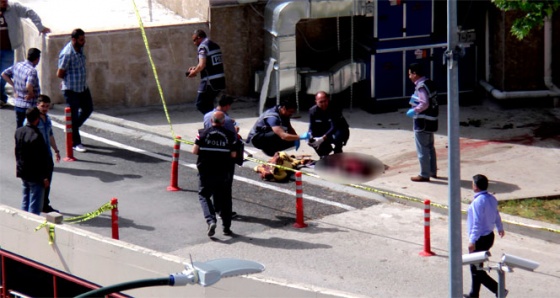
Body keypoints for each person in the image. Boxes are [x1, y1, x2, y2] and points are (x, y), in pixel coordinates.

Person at [192, 111, 237, 237]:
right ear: (223, 122)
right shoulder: (230, 135)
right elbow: (233, 155)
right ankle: (226, 228)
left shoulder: (202, 133)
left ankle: (211, 220)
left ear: (211, 121)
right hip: (223, 172)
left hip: (206, 171)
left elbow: (194, 150)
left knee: (204, 195)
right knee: (225, 199)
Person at [0, 0, 50, 107]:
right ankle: (1, 97)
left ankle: (1, 96)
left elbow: (29, 11)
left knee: (3, 75)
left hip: (8, 49)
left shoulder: (13, 7)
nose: (4, 2)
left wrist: (39, 26)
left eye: (5, 0)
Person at [464, 174, 506, 298]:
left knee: (476, 270)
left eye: (472, 183)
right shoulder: (492, 199)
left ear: (476, 187)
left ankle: (499, 289)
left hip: (480, 239)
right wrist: (500, 227)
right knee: (477, 266)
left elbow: (477, 222)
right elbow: (496, 214)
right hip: (489, 237)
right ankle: (474, 294)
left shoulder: (478, 202)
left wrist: (472, 241)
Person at [203, 95, 240, 218]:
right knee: (225, 186)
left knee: (212, 184)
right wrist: (236, 130)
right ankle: (225, 212)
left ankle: (216, 208)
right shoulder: (228, 121)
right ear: (227, 106)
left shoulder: (207, 116)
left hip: (209, 155)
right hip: (224, 157)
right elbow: (233, 138)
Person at [57, 28, 93, 153]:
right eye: (81, 39)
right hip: (71, 89)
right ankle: (75, 142)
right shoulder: (67, 54)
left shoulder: (80, 48)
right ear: (74, 40)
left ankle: (71, 128)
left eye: (84, 39)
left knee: (88, 109)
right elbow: (60, 73)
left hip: (82, 87)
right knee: (72, 115)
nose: (84, 42)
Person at [24, 95, 60, 213]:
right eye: (42, 106)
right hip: (37, 157)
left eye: (47, 106)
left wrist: (56, 150)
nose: (45, 108)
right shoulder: (31, 120)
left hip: (47, 156)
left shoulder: (47, 119)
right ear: (37, 105)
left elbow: (50, 135)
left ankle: (44, 204)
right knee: (37, 184)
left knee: (47, 182)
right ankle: (33, 208)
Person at [15, 107, 52, 215]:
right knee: (35, 204)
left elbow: (17, 153)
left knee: (25, 199)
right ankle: (31, 228)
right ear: (37, 119)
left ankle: (22, 223)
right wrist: (44, 177)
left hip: (23, 172)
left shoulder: (19, 131)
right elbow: (38, 159)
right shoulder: (36, 136)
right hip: (35, 175)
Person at [406, 63, 438, 182]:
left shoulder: (421, 86)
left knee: (422, 149)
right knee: (430, 148)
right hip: (431, 121)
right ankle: (432, 171)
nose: (409, 76)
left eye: (410, 74)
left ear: (415, 74)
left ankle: (424, 174)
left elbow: (424, 103)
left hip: (422, 122)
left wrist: (414, 110)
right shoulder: (429, 83)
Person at [187, 29, 226, 115]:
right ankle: (213, 124)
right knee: (209, 105)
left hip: (210, 82)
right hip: (219, 81)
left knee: (200, 104)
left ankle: (217, 120)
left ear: (199, 38)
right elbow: (210, 64)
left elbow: (202, 65)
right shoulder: (214, 45)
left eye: (194, 40)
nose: (194, 43)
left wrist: (194, 72)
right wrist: (195, 68)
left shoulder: (203, 46)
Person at [1, 47, 41, 127]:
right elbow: (29, 85)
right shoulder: (32, 71)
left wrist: (14, 85)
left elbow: (4, 74)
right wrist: (31, 93)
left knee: (19, 127)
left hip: (18, 103)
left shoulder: (18, 65)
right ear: (37, 59)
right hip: (29, 106)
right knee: (30, 129)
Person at [307, 91, 350, 159]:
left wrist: (322, 138)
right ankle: (323, 153)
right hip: (324, 129)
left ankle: (338, 150)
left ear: (328, 100)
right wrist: (310, 134)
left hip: (338, 129)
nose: (324, 104)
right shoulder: (312, 111)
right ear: (316, 101)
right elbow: (312, 126)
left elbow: (334, 126)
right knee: (311, 140)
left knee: (338, 135)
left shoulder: (335, 107)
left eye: (325, 101)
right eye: (321, 102)